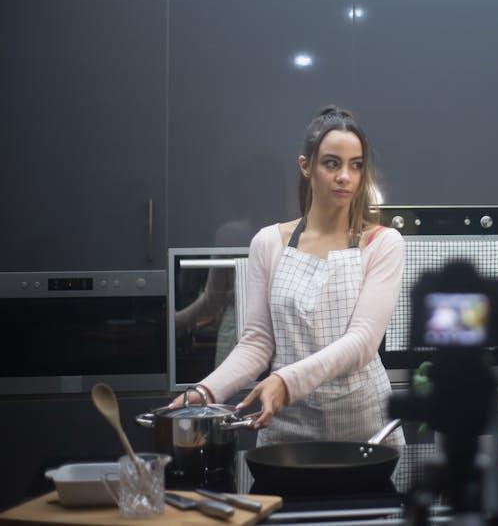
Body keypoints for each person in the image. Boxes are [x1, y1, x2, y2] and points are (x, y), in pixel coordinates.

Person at [170, 106, 405, 448]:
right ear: (306, 166)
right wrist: (205, 392)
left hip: (365, 428)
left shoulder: (382, 243)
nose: (345, 176)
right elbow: (256, 343)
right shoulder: (268, 243)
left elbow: (362, 342)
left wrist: (285, 381)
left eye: (356, 165)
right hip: (287, 430)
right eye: (332, 163)